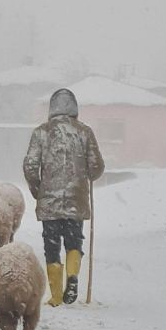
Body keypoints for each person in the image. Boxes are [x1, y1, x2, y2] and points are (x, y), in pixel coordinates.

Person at [22, 88, 105, 306]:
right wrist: (87, 173)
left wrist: (38, 190)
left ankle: (56, 295)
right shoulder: (85, 132)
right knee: (73, 241)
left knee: (52, 246)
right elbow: (96, 167)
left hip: (49, 202)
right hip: (76, 200)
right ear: (74, 108)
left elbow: (30, 165)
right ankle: (73, 276)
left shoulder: (41, 132)